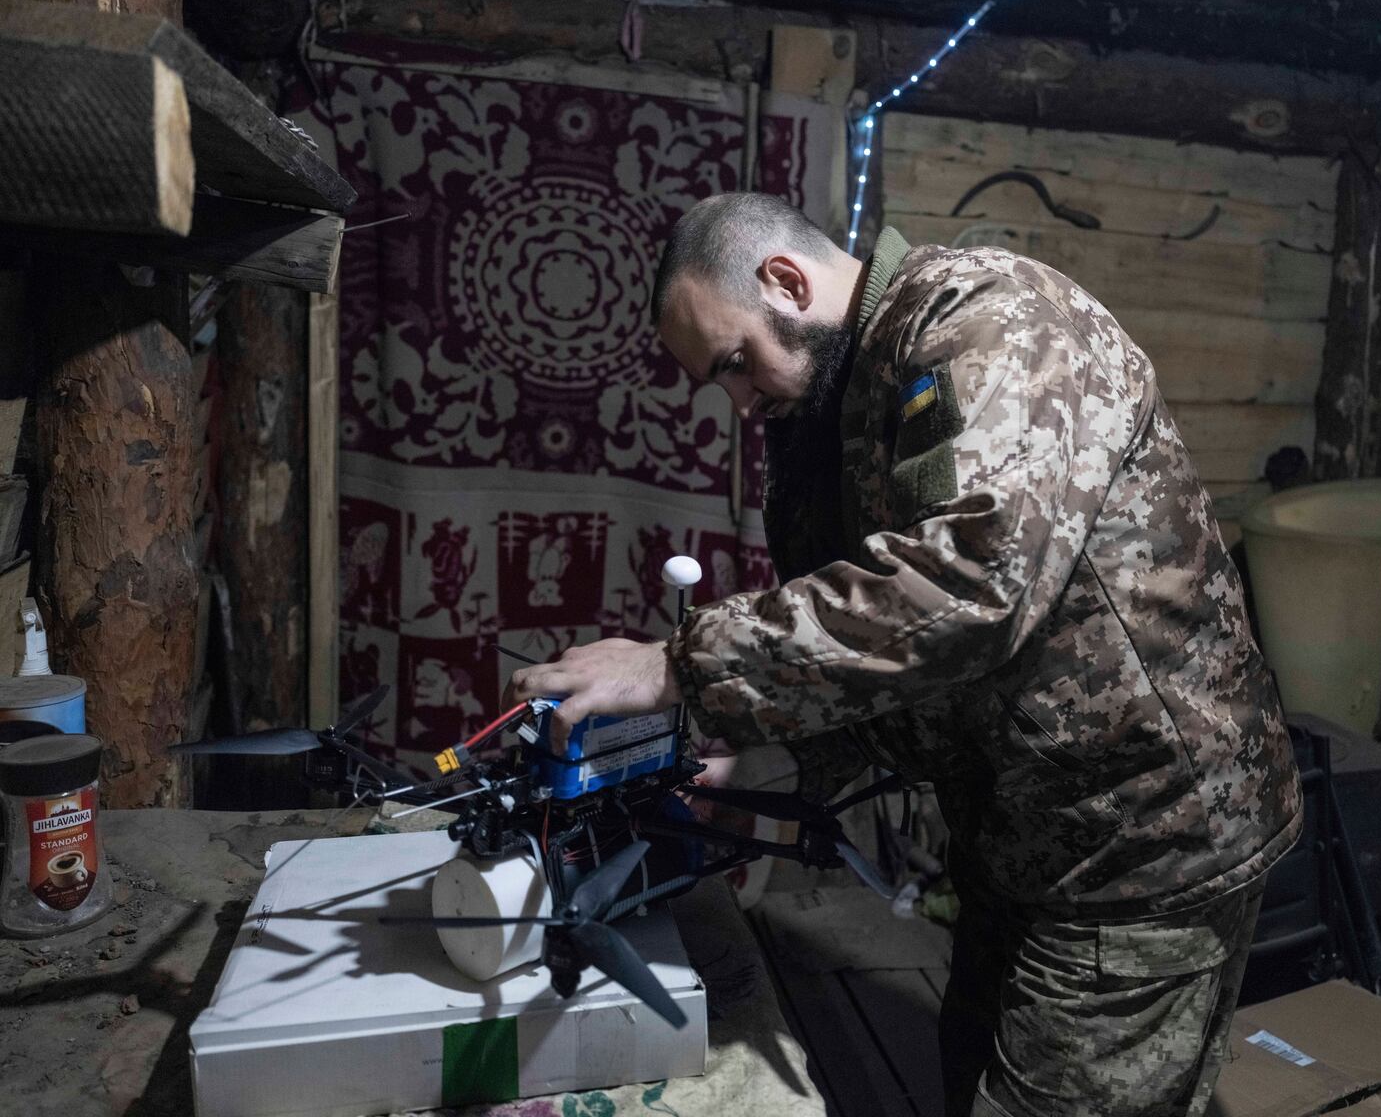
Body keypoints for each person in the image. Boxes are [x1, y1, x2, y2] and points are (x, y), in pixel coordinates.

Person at [504, 192, 1303, 1117]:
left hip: (1143, 841)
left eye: (734, 363)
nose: (738, 400)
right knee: (968, 1073)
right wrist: (754, 748)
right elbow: (882, 655)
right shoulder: (833, 411)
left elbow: (973, 586)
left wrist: (676, 666)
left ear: (786, 281)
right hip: (1021, 834)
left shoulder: (993, 317)